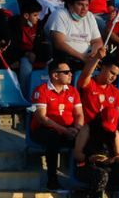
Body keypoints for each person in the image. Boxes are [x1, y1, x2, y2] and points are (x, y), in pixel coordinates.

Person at [31, 59, 85, 190]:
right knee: (53, 138)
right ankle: (52, 180)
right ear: (55, 75)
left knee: (86, 138)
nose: (71, 75)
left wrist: (77, 129)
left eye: (71, 72)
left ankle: (84, 177)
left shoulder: (73, 91)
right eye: (66, 72)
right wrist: (64, 130)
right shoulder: (41, 90)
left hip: (69, 129)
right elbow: (42, 118)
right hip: (43, 130)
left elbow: (79, 115)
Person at [47, 0, 104, 64]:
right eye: (80, 4)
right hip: (66, 58)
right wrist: (82, 57)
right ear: (70, 5)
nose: (84, 9)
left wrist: (93, 53)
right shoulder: (59, 14)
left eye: (86, 5)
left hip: (88, 58)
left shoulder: (89, 16)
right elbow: (59, 44)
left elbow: (97, 41)